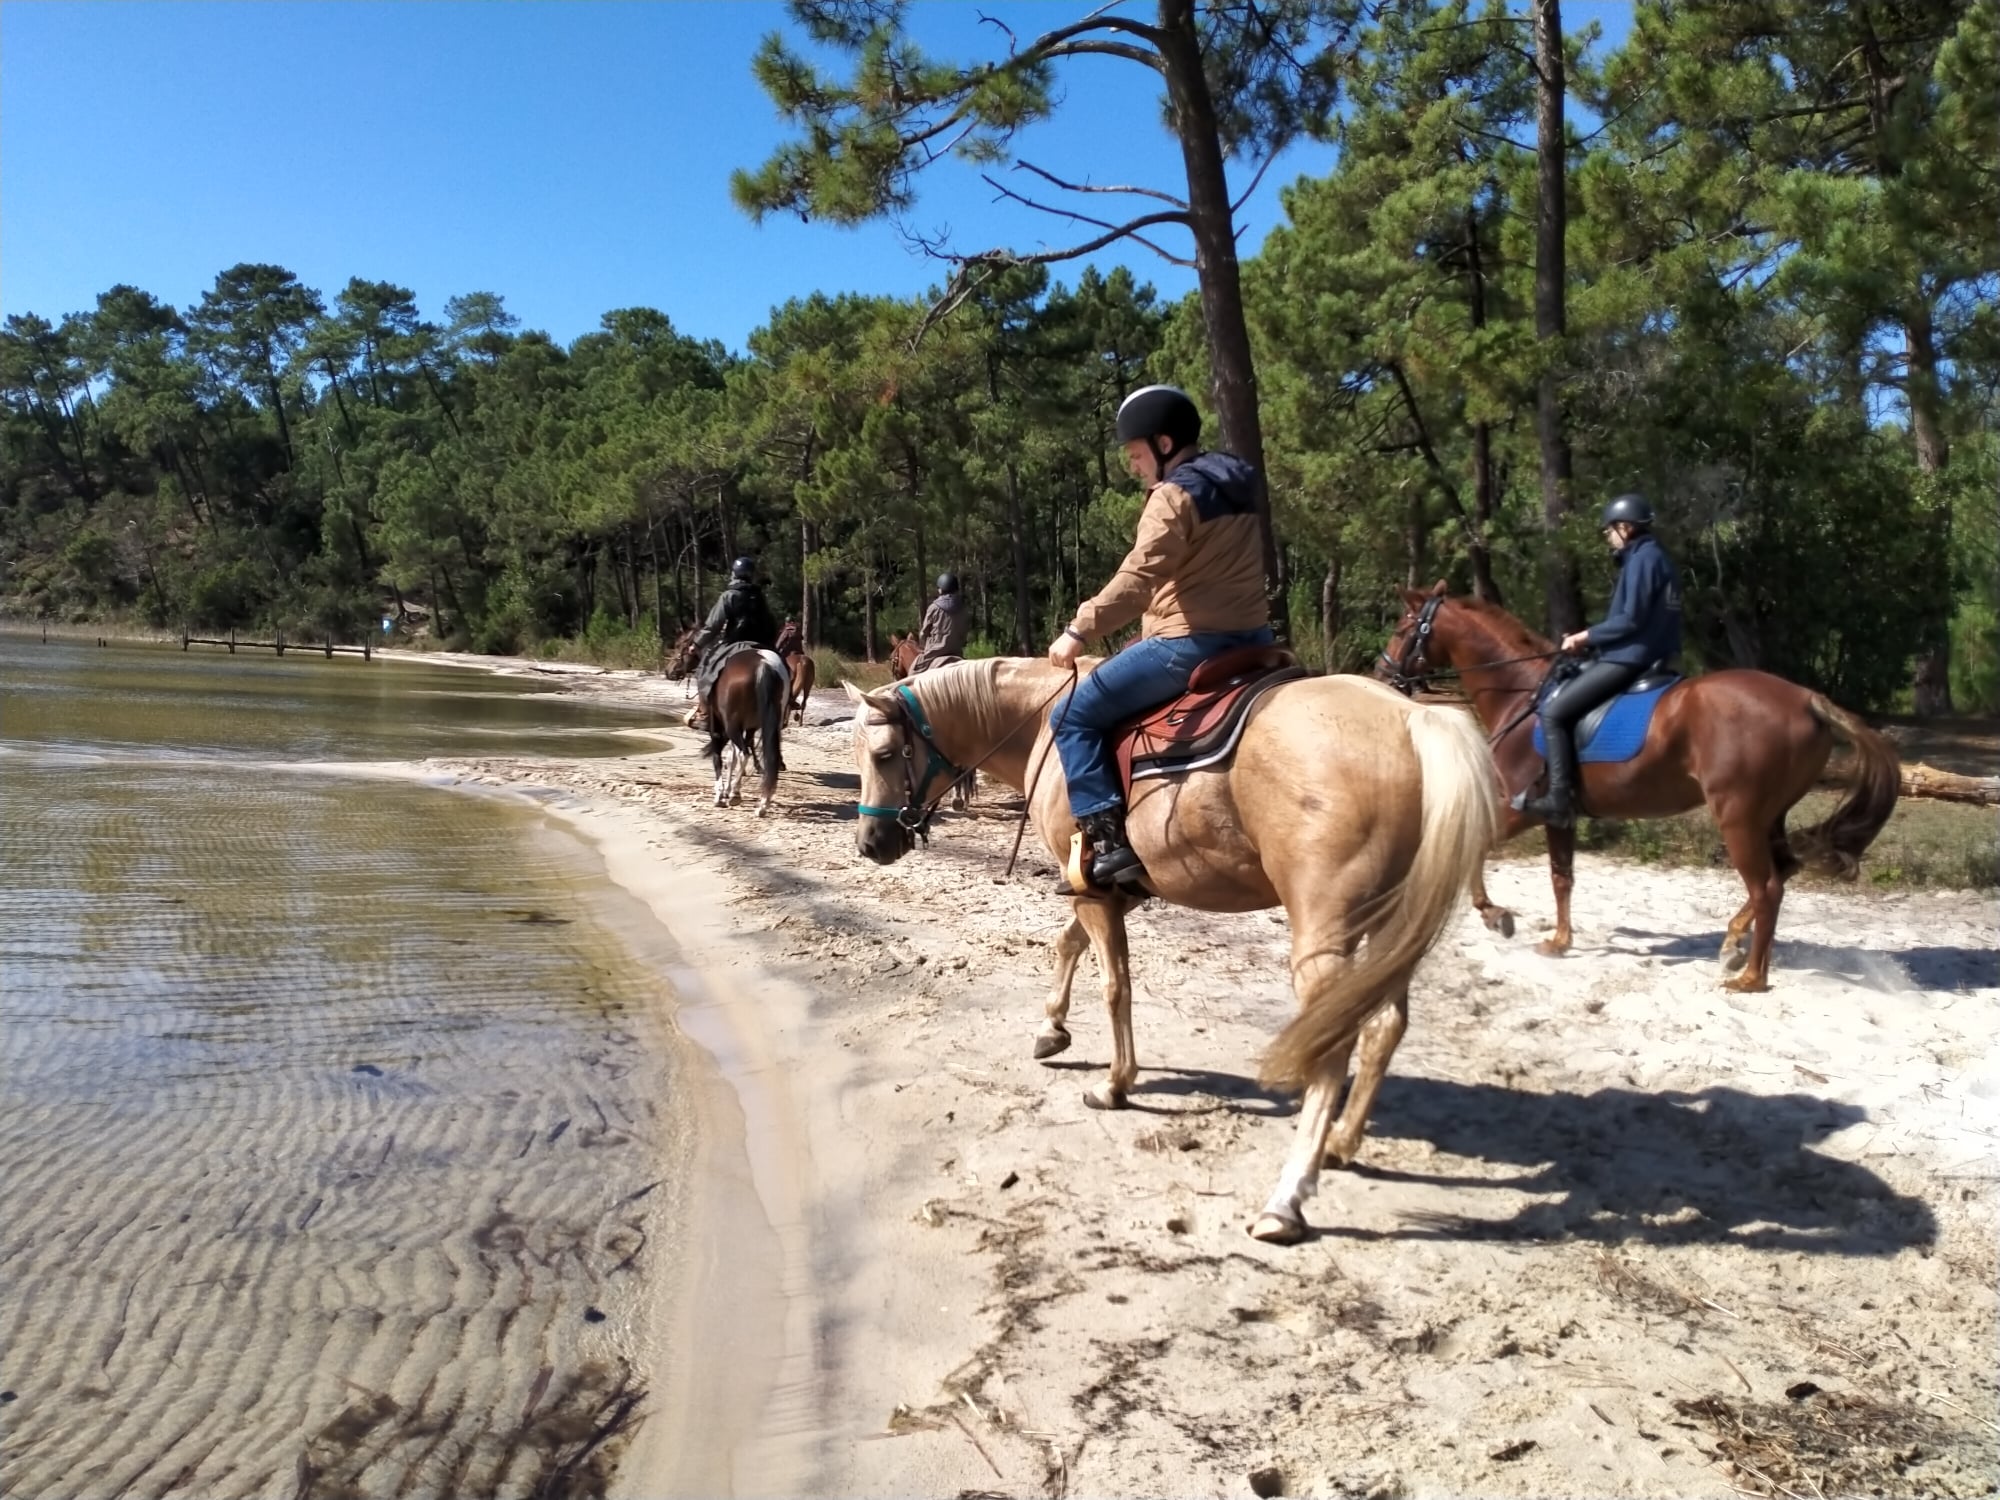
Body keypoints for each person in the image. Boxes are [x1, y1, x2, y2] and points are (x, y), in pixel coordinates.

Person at [1046, 385, 1273, 889]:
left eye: (1136, 453)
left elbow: (1136, 581)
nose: (1132, 465)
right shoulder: (1239, 480)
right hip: (1255, 637)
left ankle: (1108, 845)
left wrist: (1077, 629)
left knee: (1071, 714)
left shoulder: (1174, 495)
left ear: (1164, 444)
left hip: (1190, 642)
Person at [1514, 493, 1683, 827]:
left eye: (1610, 530)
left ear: (1626, 527)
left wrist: (1584, 637)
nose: (1608, 536)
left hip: (1631, 658)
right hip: (1649, 654)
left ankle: (1558, 799)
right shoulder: (1655, 558)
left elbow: (1630, 620)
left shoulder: (1642, 561)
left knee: (1553, 713)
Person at [687, 557, 779, 730]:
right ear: (751, 575)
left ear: (734, 574)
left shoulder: (728, 596)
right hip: (761, 644)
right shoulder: (759, 596)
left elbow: (712, 626)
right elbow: (770, 623)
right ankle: (787, 702)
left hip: (735, 643)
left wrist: (697, 644)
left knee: (704, 669)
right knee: (783, 669)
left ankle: (706, 713)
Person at [909, 572, 970, 673]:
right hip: (956, 653)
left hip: (934, 653)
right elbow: (964, 633)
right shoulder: (963, 608)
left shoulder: (934, 607)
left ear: (941, 589)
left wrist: (924, 641)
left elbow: (924, 633)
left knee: (912, 673)